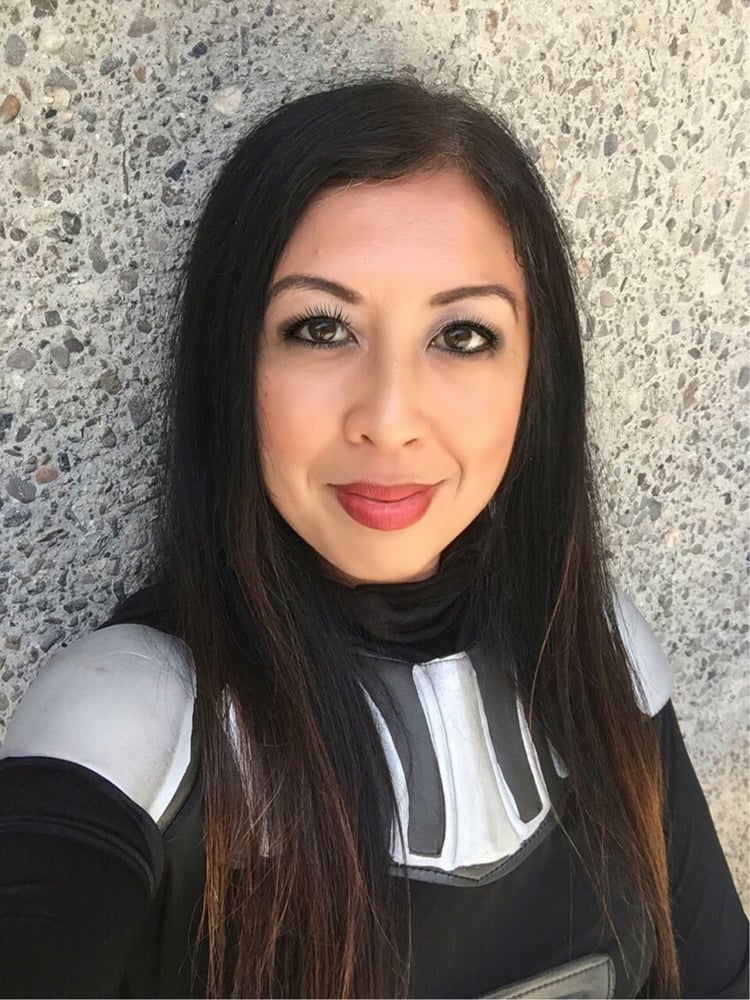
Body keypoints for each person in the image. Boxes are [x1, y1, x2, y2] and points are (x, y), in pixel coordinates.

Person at [0, 77, 746, 1000]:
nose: (389, 420)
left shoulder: (596, 650)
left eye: (462, 336)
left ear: (535, 377)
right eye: (321, 329)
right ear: (234, 363)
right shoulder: (132, 721)